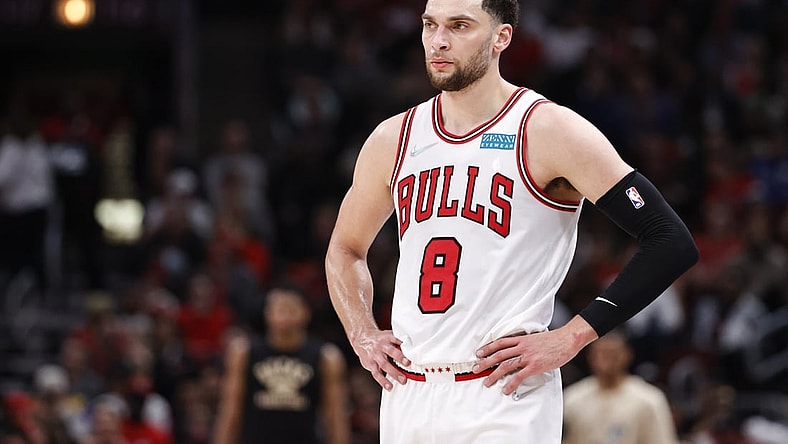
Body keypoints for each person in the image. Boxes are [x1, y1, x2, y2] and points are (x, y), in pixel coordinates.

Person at [324, 0, 699, 442]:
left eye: (459, 26)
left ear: (502, 37)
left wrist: (573, 336)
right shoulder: (393, 138)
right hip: (409, 393)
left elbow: (670, 239)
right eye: (430, 25)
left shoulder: (548, 129)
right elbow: (345, 249)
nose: (438, 41)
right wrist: (362, 333)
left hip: (505, 394)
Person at [212, 284, 350, 444]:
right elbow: (230, 410)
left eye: (290, 309)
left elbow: (335, 416)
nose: (283, 314)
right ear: (266, 313)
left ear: (306, 312)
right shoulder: (244, 352)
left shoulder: (326, 357)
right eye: (277, 308)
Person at [562, 330, 679, 444]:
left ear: (628, 355)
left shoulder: (649, 399)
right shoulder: (572, 399)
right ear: (590, 356)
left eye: (612, 354)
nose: (605, 360)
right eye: (600, 353)